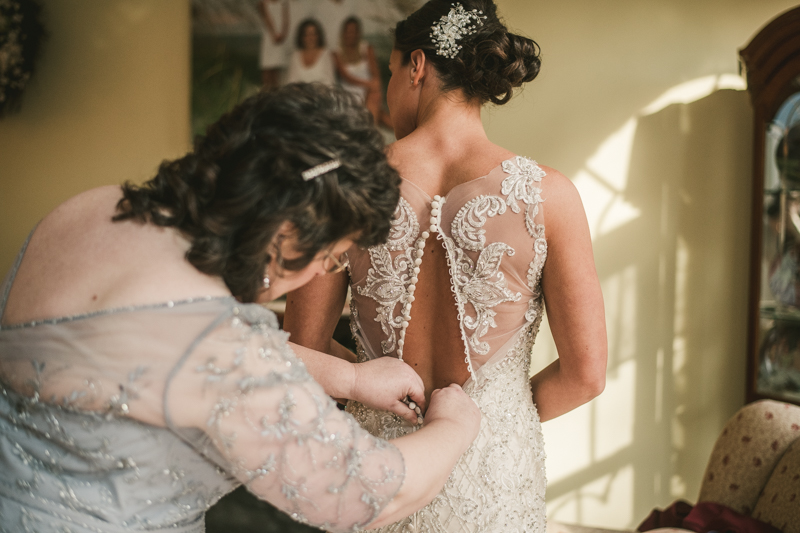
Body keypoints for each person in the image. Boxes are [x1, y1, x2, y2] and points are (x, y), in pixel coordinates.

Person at [0, 84, 481, 532]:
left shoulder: (92, 209)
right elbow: (366, 494)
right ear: (285, 233)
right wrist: (454, 427)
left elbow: (139, 354)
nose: (320, 273)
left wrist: (349, 378)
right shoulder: (218, 345)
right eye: (331, 256)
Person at [284, 1, 608, 531]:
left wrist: (362, 380)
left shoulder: (343, 188)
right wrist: (500, 416)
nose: (389, 93)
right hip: (496, 480)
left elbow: (303, 346)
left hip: (381, 474)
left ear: (416, 66)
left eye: (390, 73)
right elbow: (586, 375)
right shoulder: (549, 196)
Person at [333, 16, 389, 127]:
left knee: (375, 94)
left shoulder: (366, 48)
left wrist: (372, 87)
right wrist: (368, 84)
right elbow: (347, 77)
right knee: (382, 116)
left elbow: (375, 74)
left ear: (358, 32)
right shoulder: (336, 53)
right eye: (348, 31)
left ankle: (372, 130)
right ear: (343, 33)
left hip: (369, 93)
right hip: (349, 94)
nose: (351, 34)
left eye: (353, 31)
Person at [286, 18, 335, 86]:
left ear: (318, 36)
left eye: (313, 34)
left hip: (321, 95)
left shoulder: (326, 54)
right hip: (299, 95)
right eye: (307, 34)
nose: (310, 38)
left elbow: (330, 82)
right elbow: (291, 82)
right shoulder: (295, 56)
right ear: (302, 37)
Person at [257, 0, 290, 89]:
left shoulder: (283, 2)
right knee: (267, 67)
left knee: (277, 68)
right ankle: (266, 92)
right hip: (269, 38)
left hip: (281, 38)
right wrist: (273, 33)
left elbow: (285, 19)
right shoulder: (263, 2)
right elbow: (266, 18)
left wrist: (283, 33)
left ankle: (277, 93)